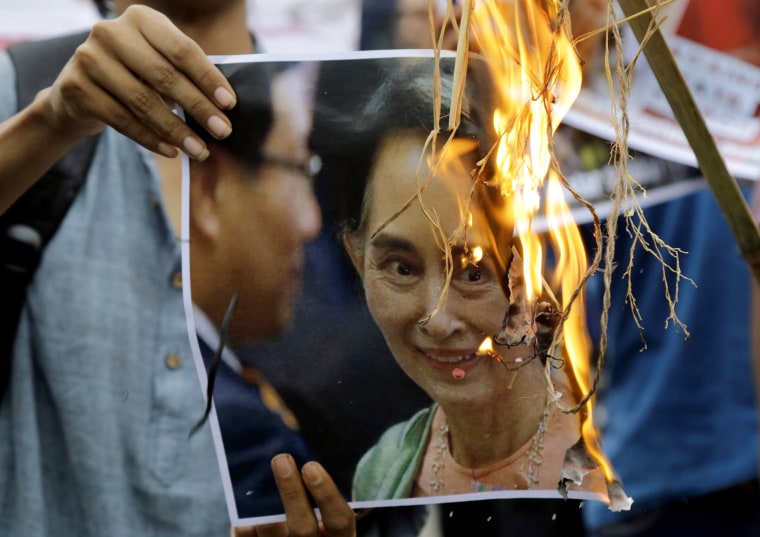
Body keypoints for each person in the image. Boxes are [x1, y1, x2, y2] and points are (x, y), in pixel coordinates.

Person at [0, 2, 356, 536]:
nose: (308, 221)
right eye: (298, 174)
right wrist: (47, 123)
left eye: (305, 172)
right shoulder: (26, 89)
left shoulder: (308, 112)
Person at [313, 57, 606, 502]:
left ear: (540, 264)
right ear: (356, 257)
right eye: (401, 268)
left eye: (473, 272)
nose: (437, 319)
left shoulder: (614, 456)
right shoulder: (385, 471)